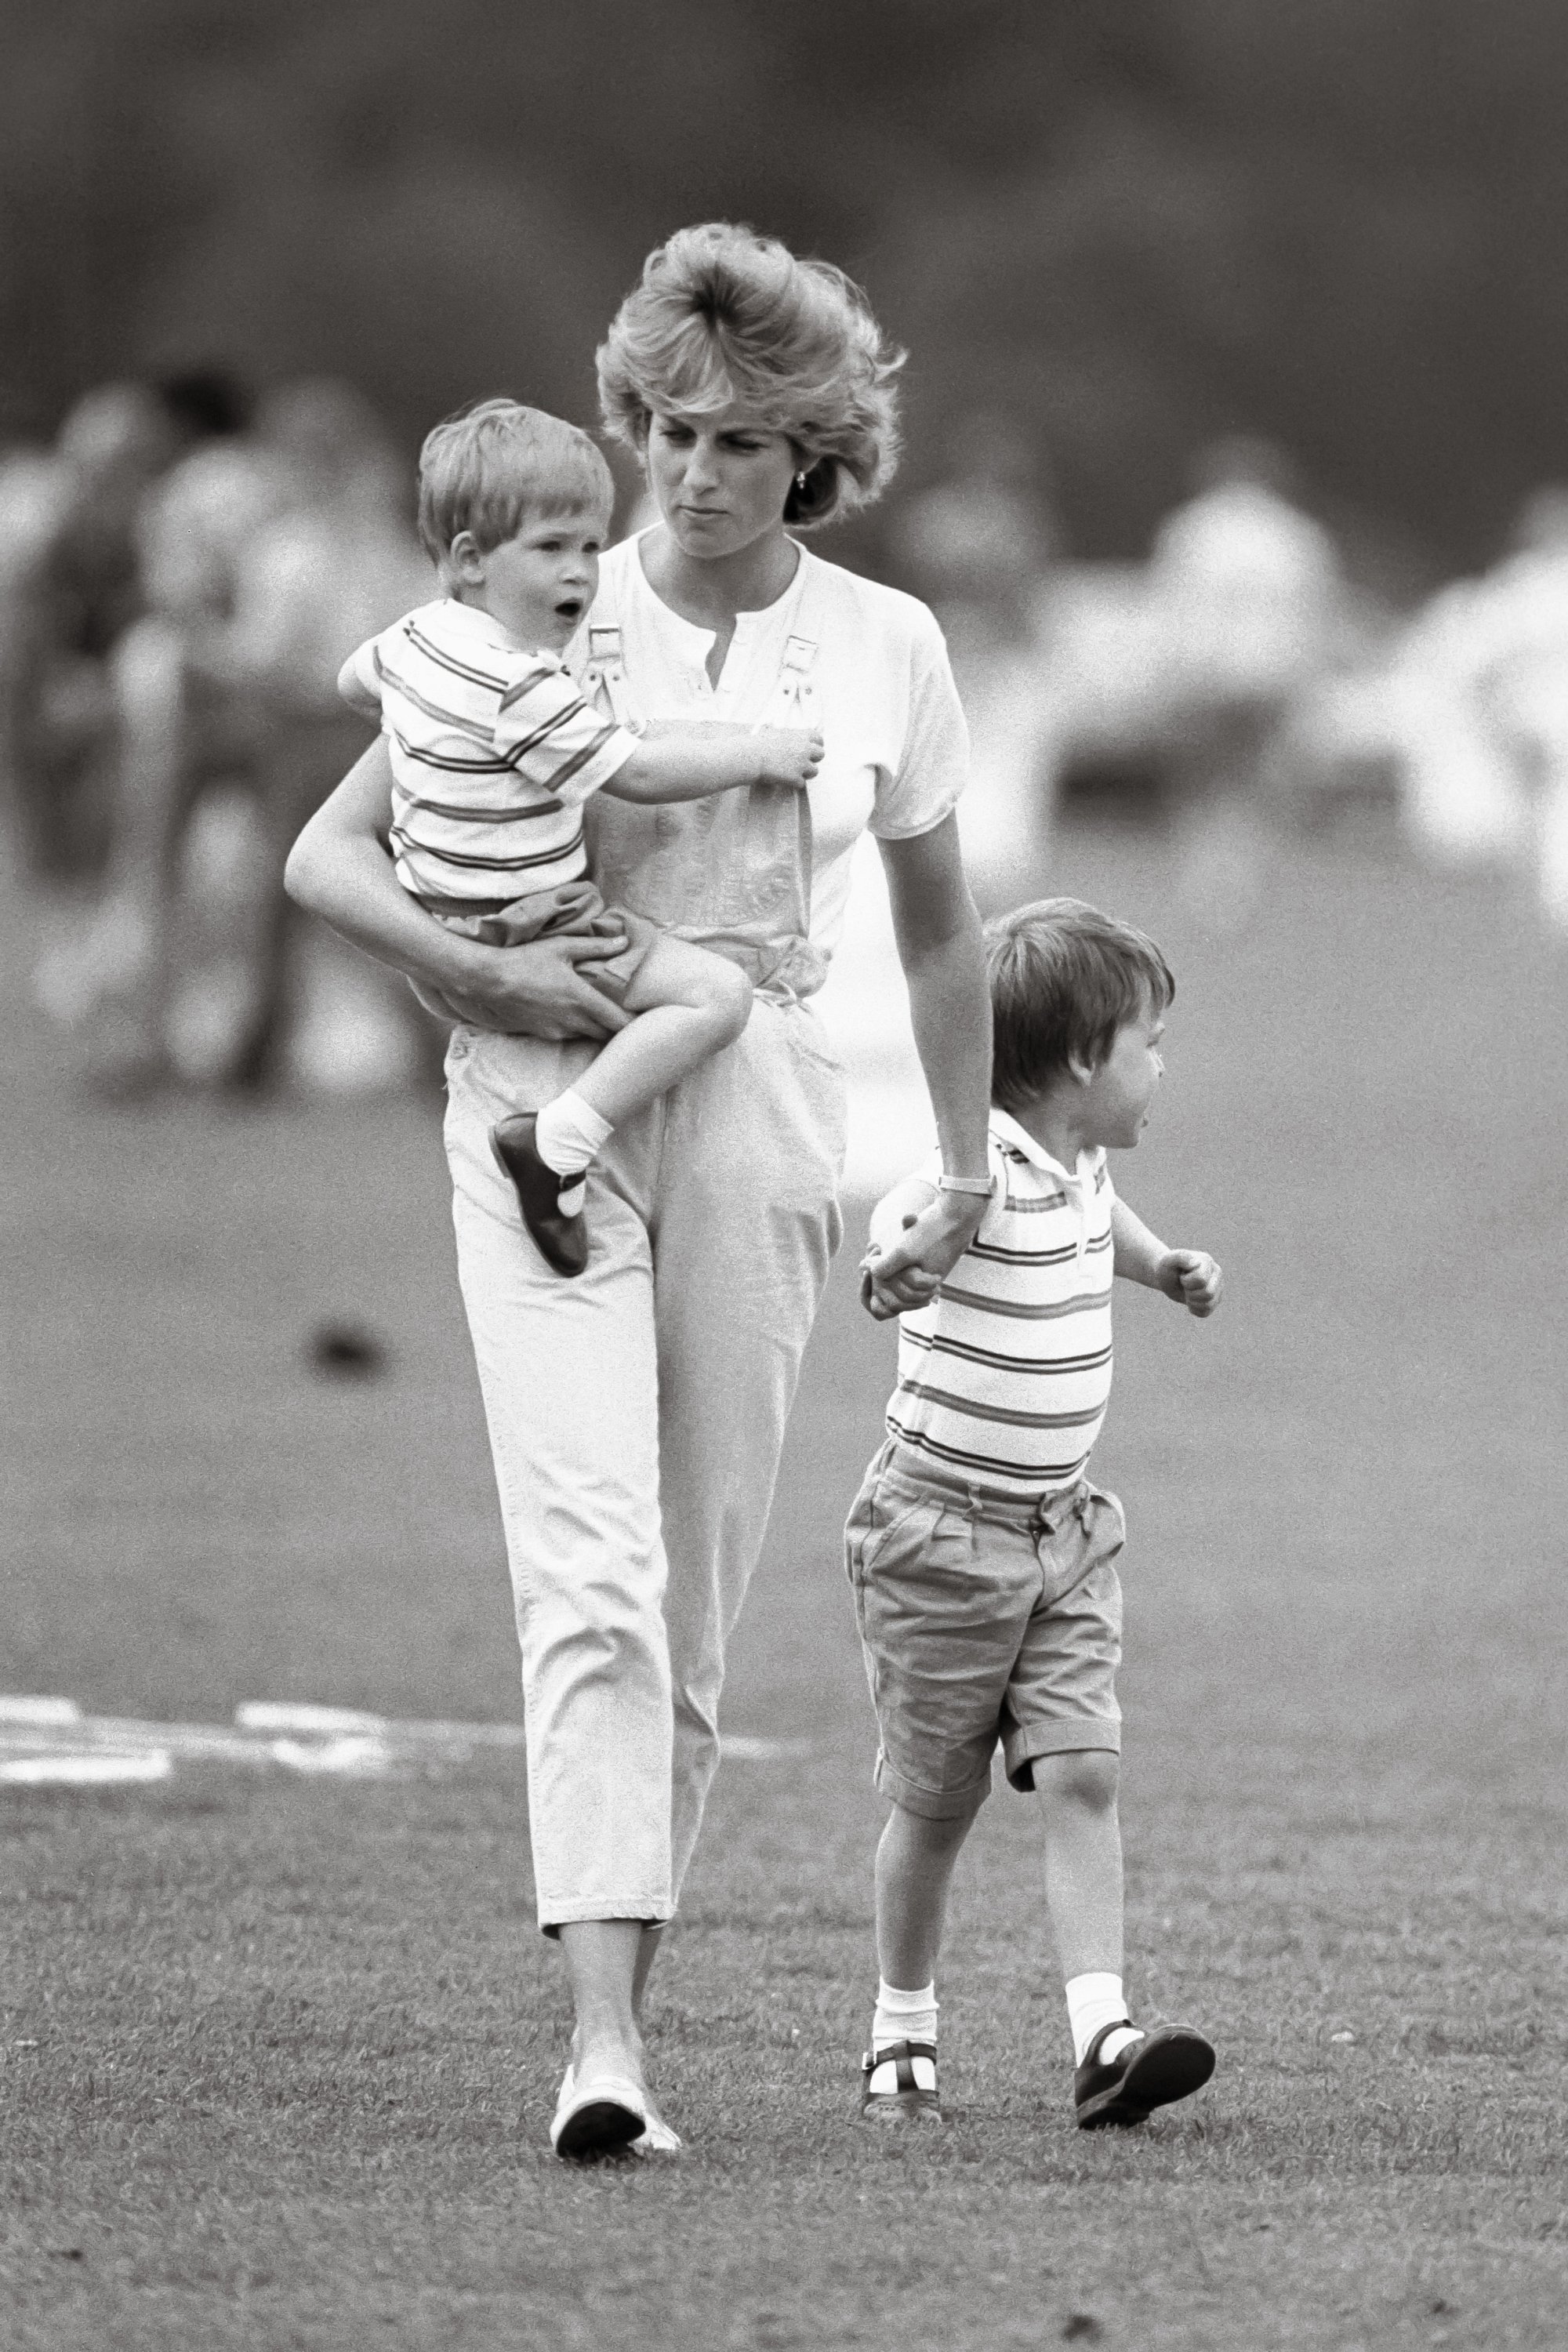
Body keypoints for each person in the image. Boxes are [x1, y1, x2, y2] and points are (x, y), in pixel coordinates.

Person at [285, 222, 994, 2159]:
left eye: (738, 439)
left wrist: (956, 1171)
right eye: (663, 426)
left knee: (685, 1602)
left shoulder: (887, 647)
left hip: (762, 1091)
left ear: (812, 457)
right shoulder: (532, 592)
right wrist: (484, 976)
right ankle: (599, 2049)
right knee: (583, 1564)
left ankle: (630, 2014)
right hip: (533, 1084)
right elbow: (329, 858)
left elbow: (943, 945)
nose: (689, 468)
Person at [851, 898, 1222, 2129]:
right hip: (939, 1538)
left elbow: (1093, 1218)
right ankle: (902, 2025)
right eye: (1149, 1042)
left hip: (1064, 1532)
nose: (1162, 1065)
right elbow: (908, 1219)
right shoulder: (981, 1175)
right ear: (1079, 1062)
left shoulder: (1079, 1165)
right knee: (936, 1801)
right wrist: (897, 1257)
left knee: (1086, 1772)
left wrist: (1160, 1264)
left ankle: (1102, 2035)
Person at [339, 397, 824, 1270]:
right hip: (541, 926)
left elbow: (351, 683)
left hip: (440, 924)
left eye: (591, 548)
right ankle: (557, 1142)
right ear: (468, 561)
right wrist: (758, 754)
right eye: (552, 548)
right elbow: (635, 772)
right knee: (714, 998)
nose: (580, 575)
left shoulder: (409, 643)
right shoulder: (521, 685)